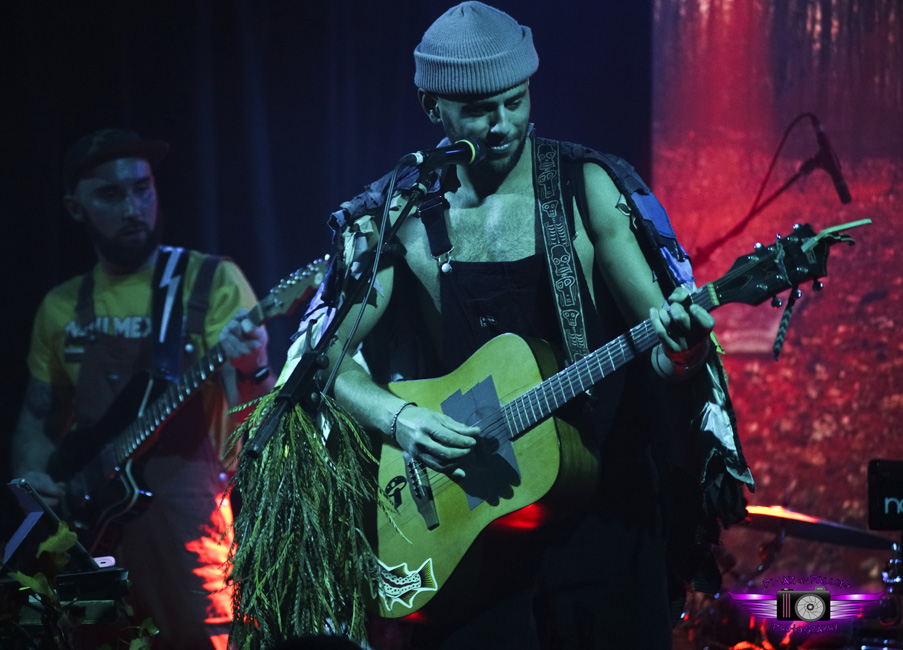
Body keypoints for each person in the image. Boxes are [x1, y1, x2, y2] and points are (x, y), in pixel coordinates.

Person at [283, 3, 755, 649]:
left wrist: (682, 349)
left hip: (603, 508)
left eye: (514, 101)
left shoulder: (586, 188)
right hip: (467, 519)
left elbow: (660, 342)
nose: (501, 124)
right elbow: (323, 358)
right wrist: (401, 420)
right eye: (478, 109)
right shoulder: (401, 212)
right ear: (432, 107)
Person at [11, 127, 274, 650]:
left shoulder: (210, 281)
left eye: (143, 188)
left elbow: (258, 417)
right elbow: (39, 417)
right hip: (88, 531)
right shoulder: (60, 305)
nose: (133, 206)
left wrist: (255, 362)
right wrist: (31, 484)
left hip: (189, 530)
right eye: (110, 194)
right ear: (74, 207)